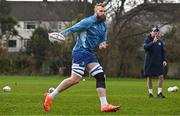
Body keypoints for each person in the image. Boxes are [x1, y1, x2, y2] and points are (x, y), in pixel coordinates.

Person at [44, 3, 120, 112]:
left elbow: (103, 39)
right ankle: (51, 97)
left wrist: (102, 43)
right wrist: (58, 35)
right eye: (100, 11)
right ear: (95, 12)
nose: (103, 13)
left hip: (89, 54)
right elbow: (72, 29)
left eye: (104, 11)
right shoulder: (87, 22)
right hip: (80, 52)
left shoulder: (104, 25)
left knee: (100, 76)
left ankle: (104, 105)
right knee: (75, 79)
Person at [144, 25, 167, 98]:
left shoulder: (160, 41)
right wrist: (153, 42)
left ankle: (159, 93)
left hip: (159, 62)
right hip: (149, 62)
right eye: (154, 31)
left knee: (161, 76)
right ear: (151, 32)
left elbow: (163, 52)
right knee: (149, 77)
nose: (156, 33)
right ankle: (150, 94)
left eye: (157, 31)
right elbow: (145, 47)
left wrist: (164, 60)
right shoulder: (147, 39)